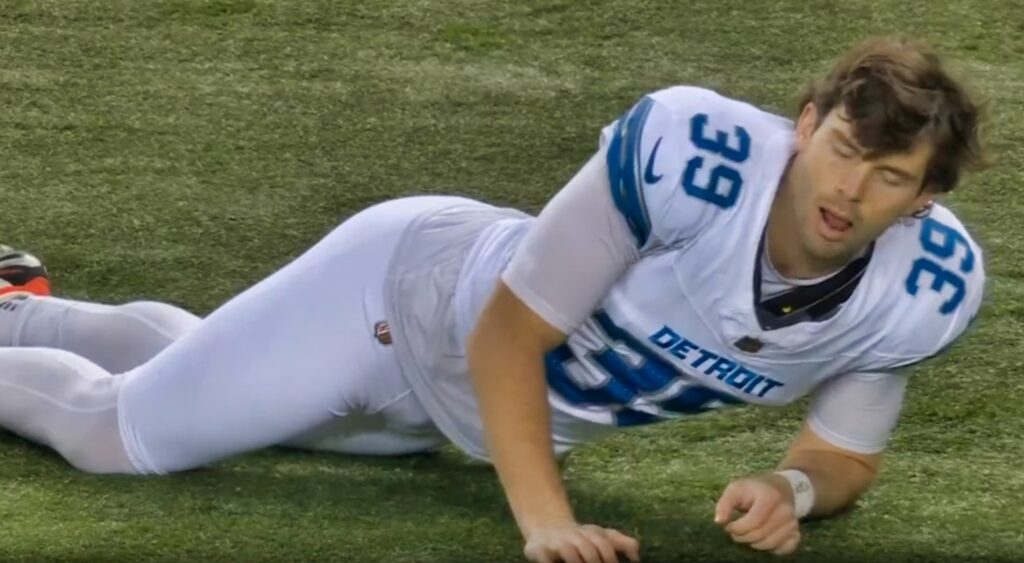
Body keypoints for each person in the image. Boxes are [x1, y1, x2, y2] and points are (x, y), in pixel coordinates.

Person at [0, 36, 990, 562]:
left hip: (466, 414)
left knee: (215, 369)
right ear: (807, 123)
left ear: (924, 199)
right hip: (395, 304)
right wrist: (545, 521)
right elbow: (510, 333)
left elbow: (844, 452)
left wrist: (792, 489)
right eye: (841, 151)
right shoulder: (697, 158)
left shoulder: (918, 291)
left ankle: (22, 306)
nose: (847, 191)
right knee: (118, 436)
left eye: (887, 177)